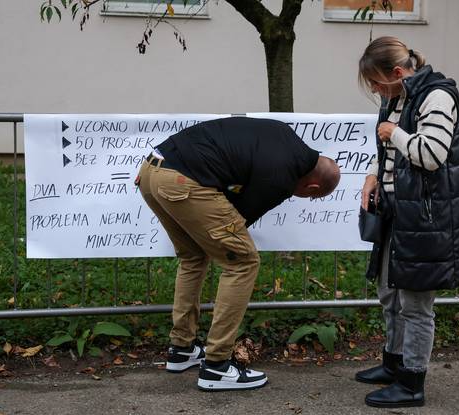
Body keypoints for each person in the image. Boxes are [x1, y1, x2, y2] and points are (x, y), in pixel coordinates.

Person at [137, 116, 340, 391]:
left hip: (151, 171)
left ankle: (182, 348)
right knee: (243, 262)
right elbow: (237, 219)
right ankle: (217, 366)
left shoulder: (284, 136)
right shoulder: (281, 177)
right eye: (311, 197)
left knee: (193, 256)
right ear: (311, 188)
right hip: (183, 181)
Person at [355, 36, 459, 408]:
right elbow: (387, 149)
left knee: (416, 302)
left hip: (427, 214)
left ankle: (412, 383)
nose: (374, 89)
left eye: (375, 81)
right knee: (389, 292)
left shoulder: (437, 96)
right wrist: (374, 173)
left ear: (396, 73)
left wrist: (395, 133)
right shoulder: (397, 96)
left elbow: (431, 154)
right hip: (398, 208)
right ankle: (394, 364)